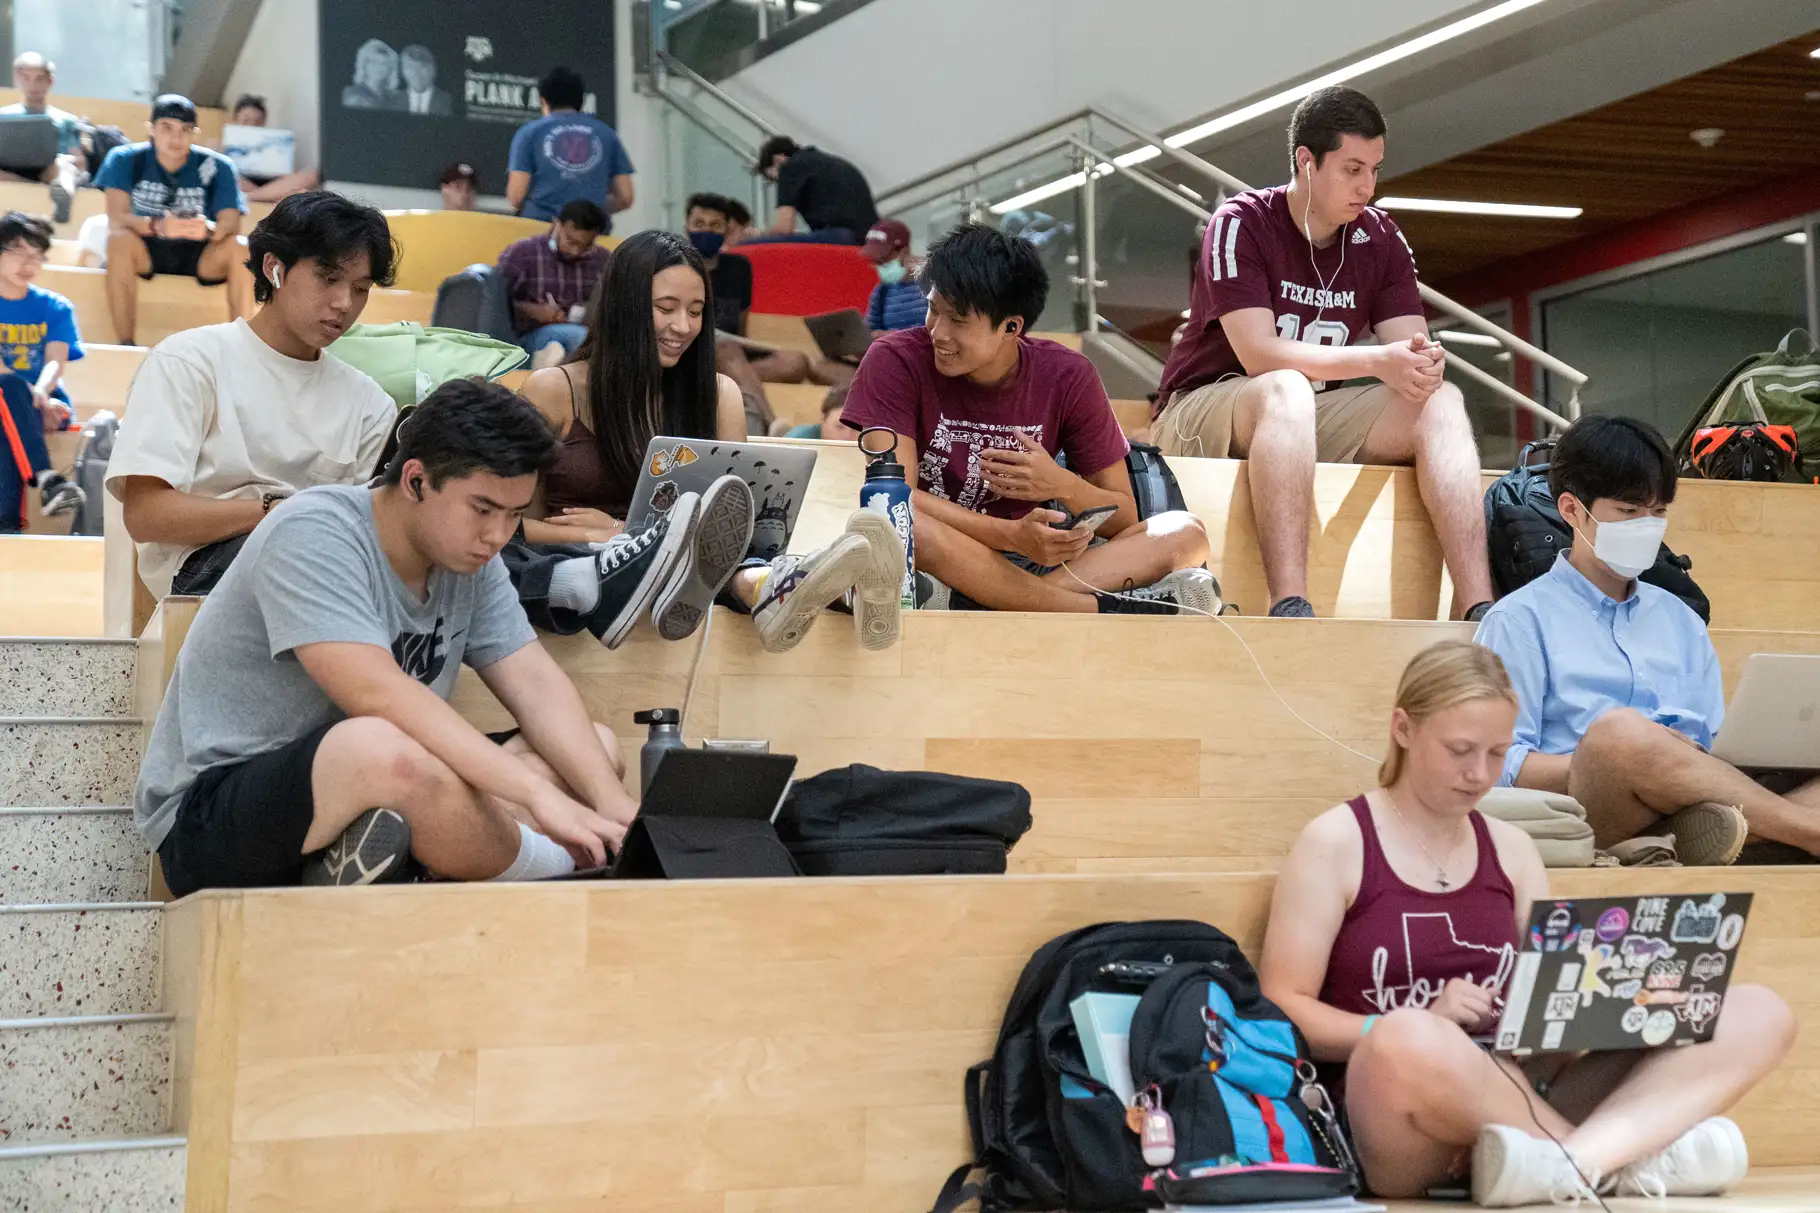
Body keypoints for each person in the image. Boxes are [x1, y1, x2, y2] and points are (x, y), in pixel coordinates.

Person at [1260, 640, 1792, 1204]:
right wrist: (1419, 1020)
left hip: (1523, 1091)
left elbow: (1546, 1023)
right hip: (1403, 1109)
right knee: (1405, 1037)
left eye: (1497, 752)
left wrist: (1608, 1005)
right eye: (1460, 750)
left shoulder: (1513, 850)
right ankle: (1610, 1162)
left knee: (1757, 1010)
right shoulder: (1336, 842)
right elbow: (1283, 1007)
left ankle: (1577, 1163)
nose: (1479, 773)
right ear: (1403, 729)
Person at [133, 380, 646, 895]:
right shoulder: (314, 531)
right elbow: (376, 694)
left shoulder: (473, 559)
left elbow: (534, 682)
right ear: (417, 481)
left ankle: (398, 861)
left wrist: (615, 806)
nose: (498, 536)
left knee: (593, 752)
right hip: (215, 817)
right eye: (483, 509)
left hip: (377, 793)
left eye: (515, 515)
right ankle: (557, 870)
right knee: (382, 750)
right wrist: (536, 797)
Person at [1153, 86, 1492, 622]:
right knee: (1286, 386)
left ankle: (1479, 607)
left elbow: (1411, 347)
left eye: (1375, 170)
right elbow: (1259, 354)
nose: (1367, 187)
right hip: (1203, 408)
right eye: (1352, 168)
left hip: (1303, 417)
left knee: (1440, 399)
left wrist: (1419, 364)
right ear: (1305, 162)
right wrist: (1378, 362)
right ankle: (1289, 604)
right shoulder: (1241, 222)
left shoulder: (1381, 237)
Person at [515, 230, 898, 653]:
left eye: (696, 311)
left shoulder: (719, 395)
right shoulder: (553, 389)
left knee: (727, 556)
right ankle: (800, 589)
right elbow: (509, 526)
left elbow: (736, 529)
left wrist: (627, 531)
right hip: (585, 567)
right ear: (624, 305)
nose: (683, 327)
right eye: (666, 308)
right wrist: (610, 540)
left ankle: (802, 586)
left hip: (697, 575)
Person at [1474, 414, 1820, 864]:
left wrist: (1688, 769)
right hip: (1591, 808)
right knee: (1619, 732)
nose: (1647, 525)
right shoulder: (1518, 621)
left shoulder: (1681, 619)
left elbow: (1715, 747)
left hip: (1703, 796)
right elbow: (1494, 762)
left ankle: (1702, 833)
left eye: (1658, 513)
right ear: (1571, 510)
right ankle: (1801, 829)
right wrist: (1636, 759)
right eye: (1629, 512)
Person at [840, 222, 1216, 616]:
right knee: (903, 521)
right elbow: (896, 495)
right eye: (934, 310)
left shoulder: (1067, 375)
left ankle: (989, 602)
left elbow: (1122, 517)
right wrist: (1010, 535)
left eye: (958, 320)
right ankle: (1095, 609)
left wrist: (1061, 483)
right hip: (942, 554)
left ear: (1011, 327)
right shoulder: (894, 359)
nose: (938, 331)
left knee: (1185, 533)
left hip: (1037, 562)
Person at [105, 191, 398, 599]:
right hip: (203, 569)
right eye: (328, 279)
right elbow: (146, 514)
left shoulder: (369, 403)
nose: (344, 303)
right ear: (274, 268)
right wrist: (276, 514)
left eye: (361, 288)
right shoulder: (189, 360)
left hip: (327, 569)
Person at [95, 94, 255, 347]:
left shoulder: (219, 166)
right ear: (151, 129)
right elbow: (117, 219)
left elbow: (231, 224)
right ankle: (125, 342)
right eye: (166, 128)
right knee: (118, 241)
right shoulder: (125, 158)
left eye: (186, 130)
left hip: (200, 251)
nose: (176, 138)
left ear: (195, 133)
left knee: (242, 247)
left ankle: (245, 346)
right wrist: (159, 226)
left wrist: (206, 230)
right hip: (146, 247)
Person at [0, 210, 84, 531]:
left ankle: (7, 526)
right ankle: (47, 479)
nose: (28, 264)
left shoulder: (55, 307)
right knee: (8, 389)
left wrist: (41, 392)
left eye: (37, 256)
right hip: (19, 396)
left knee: (7, 417)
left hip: (44, 402)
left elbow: (55, 361)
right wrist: (31, 395)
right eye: (18, 252)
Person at [506, 68, 634, 227]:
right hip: (591, 238)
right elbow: (626, 197)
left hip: (540, 233)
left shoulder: (529, 133)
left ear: (543, 101)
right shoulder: (607, 135)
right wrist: (591, 210)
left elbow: (516, 196)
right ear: (581, 100)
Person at [496, 198, 609, 367]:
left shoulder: (602, 260)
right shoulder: (523, 253)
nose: (575, 251)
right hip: (528, 337)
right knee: (580, 339)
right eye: (571, 241)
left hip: (586, 331)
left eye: (585, 246)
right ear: (557, 225)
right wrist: (532, 311)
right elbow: (495, 304)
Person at [0, 52, 84, 224]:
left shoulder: (66, 120)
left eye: (39, 79)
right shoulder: (3, 116)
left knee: (64, 165)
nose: (33, 85)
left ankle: (63, 195)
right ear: (18, 79)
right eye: (27, 78)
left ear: (49, 81)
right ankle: (40, 189)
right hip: (11, 173)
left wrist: (71, 161)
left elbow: (79, 161)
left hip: (51, 171)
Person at [750, 135, 877, 246]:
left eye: (775, 178)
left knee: (745, 246)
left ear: (777, 160)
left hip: (842, 238)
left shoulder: (789, 167)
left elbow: (784, 228)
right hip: (872, 239)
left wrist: (761, 235)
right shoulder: (831, 162)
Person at [227, 93, 321, 203]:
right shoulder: (220, 145)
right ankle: (266, 196)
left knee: (312, 174)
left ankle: (252, 196)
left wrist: (283, 163)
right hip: (243, 184)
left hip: (271, 184)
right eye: (246, 120)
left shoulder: (273, 144)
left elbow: (288, 179)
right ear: (235, 120)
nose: (251, 126)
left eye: (257, 122)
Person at [862, 218, 924, 332]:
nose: (879, 265)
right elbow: (868, 331)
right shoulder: (881, 291)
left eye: (883, 258)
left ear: (904, 251)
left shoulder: (933, 282)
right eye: (875, 260)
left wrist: (895, 336)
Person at [341, 39, 401, 110]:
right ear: (365, 65)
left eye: (385, 63)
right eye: (375, 62)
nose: (380, 67)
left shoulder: (395, 98)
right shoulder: (351, 94)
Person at [783, 385, 852, 442]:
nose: (848, 437)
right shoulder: (799, 441)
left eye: (856, 430)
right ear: (823, 419)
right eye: (839, 427)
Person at [398, 46, 454, 116]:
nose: (416, 73)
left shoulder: (449, 101)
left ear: (432, 70)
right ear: (402, 71)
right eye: (410, 67)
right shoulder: (392, 101)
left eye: (422, 67)